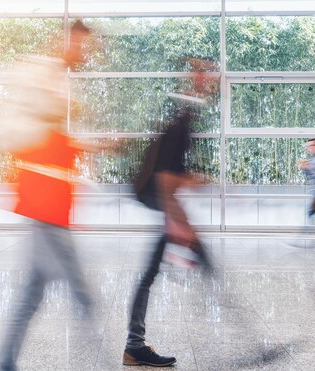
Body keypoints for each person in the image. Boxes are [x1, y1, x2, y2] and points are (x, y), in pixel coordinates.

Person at [0, 20, 96, 371]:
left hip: (51, 202)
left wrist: (81, 142)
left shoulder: (55, 80)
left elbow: (48, 140)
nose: (83, 53)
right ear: (64, 40)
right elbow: (28, 138)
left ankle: (4, 363)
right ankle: (100, 362)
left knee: (33, 292)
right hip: (46, 202)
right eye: (80, 45)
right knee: (82, 295)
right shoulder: (40, 75)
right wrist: (71, 137)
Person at [123, 58, 217, 367]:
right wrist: (179, 225)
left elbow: (173, 172)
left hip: (168, 210)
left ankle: (134, 346)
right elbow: (166, 178)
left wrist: (194, 181)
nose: (210, 81)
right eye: (204, 76)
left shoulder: (184, 118)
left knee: (151, 275)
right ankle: (134, 346)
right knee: (154, 275)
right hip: (168, 211)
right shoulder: (182, 122)